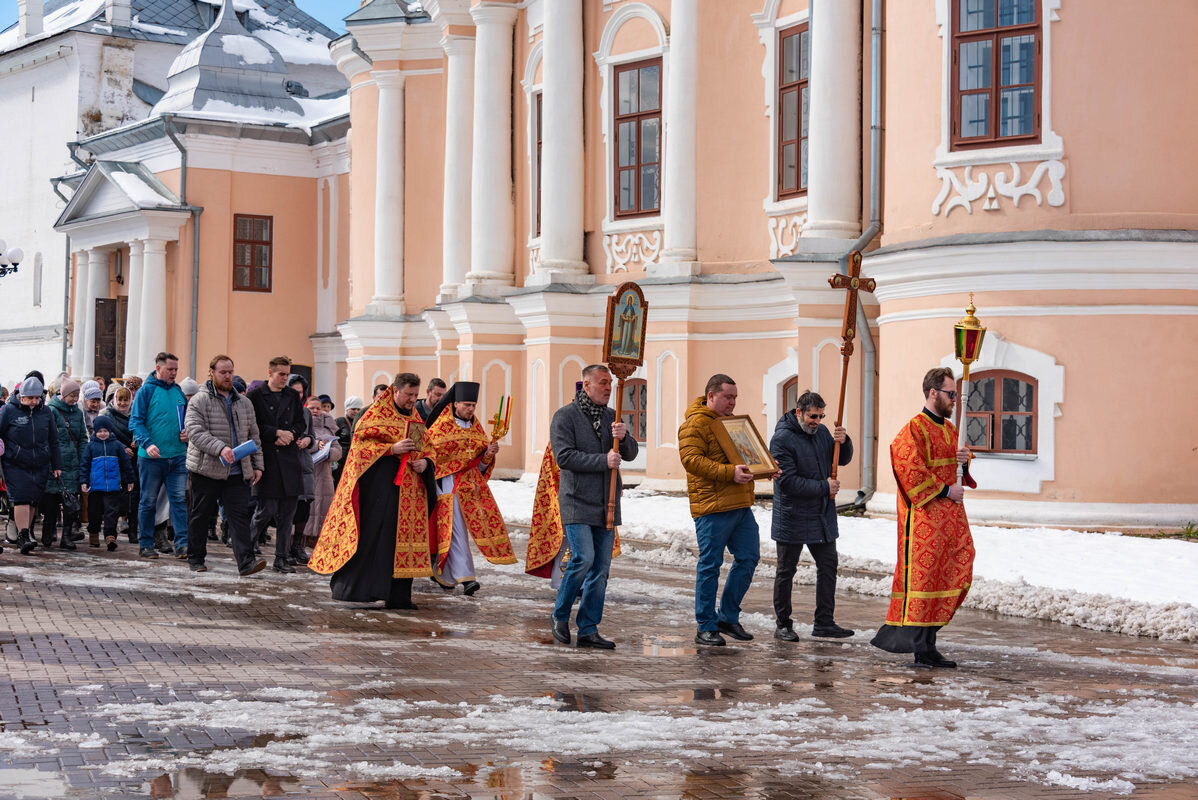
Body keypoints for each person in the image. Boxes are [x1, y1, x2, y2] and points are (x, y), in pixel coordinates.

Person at [871, 367, 975, 669]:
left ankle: (929, 639)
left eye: (956, 394)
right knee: (927, 579)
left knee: (958, 566)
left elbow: (958, 464)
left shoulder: (949, 428)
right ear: (933, 393)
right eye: (950, 394)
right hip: (925, 520)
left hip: (951, 518)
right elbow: (908, 468)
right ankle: (922, 646)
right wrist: (945, 490)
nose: (954, 399)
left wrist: (964, 461)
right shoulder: (913, 430)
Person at [309, 373, 436, 611]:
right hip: (377, 492)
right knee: (374, 540)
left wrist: (426, 463)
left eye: (415, 395)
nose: (412, 400)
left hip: (408, 496)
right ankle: (358, 591)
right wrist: (391, 448)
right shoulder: (374, 415)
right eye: (409, 394)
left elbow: (427, 449)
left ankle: (398, 596)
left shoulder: (416, 418)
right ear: (395, 391)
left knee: (399, 545)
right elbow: (359, 448)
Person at [548, 364, 638, 650]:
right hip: (576, 500)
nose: (608, 388)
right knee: (583, 558)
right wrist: (603, 461)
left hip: (608, 502)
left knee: (601, 568)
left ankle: (588, 628)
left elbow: (631, 454)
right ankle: (560, 615)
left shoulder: (613, 417)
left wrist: (624, 437)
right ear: (586, 385)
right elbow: (564, 457)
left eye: (610, 383)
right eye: (602, 383)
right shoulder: (565, 416)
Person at [678, 374, 762, 647]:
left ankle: (727, 617)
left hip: (740, 503)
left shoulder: (732, 423)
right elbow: (691, 460)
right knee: (710, 565)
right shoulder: (695, 424)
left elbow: (746, 457)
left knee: (749, 557)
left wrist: (764, 469)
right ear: (711, 396)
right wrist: (729, 473)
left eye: (735, 397)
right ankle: (705, 625)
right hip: (712, 506)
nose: (732, 402)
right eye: (728, 397)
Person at [769, 391, 855, 642]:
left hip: (820, 515)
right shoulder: (782, 439)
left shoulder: (824, 433)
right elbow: (787, 482)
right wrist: (824, 488)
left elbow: (842, 459)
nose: (817, 421)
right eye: (812, 416)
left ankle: (824, 622)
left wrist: (844, 441)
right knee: (786, 571)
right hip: (792, 515)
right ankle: (783, 624)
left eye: (820, 416)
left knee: (828, 566)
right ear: (799, 413)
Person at [425, 382, 516, 595]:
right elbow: (432, 459)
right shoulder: (440, 428)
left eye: (473, 405)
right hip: (450, 487)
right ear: (455, 403)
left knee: (466, 531)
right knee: (456, 532)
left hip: (473, 489)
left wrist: (488, 454)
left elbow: (481, 465)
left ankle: (445, 574)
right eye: (467, 404)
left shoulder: (477, 428)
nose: (471, 409)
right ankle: (467, 578)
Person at [184, 354, 265, 576]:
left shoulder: (244, 402)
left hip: (237, 471)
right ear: (212, 372)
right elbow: (195, 431)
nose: (228, 376)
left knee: (239, 517)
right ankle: (196, 558)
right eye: (223, 372)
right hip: (206, 469)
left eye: (230, 371)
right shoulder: (199, 401)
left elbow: (254, 435)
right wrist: (220, 448)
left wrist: (258, 465)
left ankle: (246, 562)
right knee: (201, 514)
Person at [247, 357, 309, 574]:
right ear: (270, 372)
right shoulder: (255, 396)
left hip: (290, 459)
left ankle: (281, 558)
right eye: (281, 374)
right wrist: (275, 433)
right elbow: (251, 425)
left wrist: (291, 433)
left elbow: (301, 422)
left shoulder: (292, 395)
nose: (285, 378)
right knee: (266, 510)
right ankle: (246, 547)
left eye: (287, 374)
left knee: (287, 514)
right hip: (268, 459)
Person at [129, 352, 190, 559]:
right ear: (158, 368)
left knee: (179, 500)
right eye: (170, 369)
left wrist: (186, 433)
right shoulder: (146, 391)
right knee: (148, 501)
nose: (174, 373)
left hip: (177, 455)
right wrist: (148, 443)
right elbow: (135, 422)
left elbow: (186, 421)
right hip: (151, 458)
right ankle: (146, 544)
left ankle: (182, 544)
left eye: (176, 369)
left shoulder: (178, 392)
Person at [0, 377, 61, 554]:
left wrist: (56, 463)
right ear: (22, 397)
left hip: (40, 462)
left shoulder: (46, 412)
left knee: (33, 498)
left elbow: (53, 440)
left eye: (37, 398)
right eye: (30, 398)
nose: (34, 402)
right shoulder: (9, 411)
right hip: (15, 462)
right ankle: (23, 534)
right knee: (21, 498)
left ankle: (25, 533)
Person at [43, 379, 87, 551]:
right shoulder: (52, 411)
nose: (74, 399)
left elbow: (83, 437)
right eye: (71, 395)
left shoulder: (78, 413)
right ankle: (49, 530)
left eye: (77, 395)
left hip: (73, 464)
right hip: (55, 462)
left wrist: (83, 458)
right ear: (63, 394)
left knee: (71, 503)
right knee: (51, 501)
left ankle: (67, 536)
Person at [79, 416, 134, 550]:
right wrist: (84, 481)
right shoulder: (91, 446)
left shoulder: (117, 446)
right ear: (95, 432)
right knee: (94, 512)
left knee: (112, 512)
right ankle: (93, 533)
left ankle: (110, 536)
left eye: (105, 431)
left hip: (113, 486)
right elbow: (84, 465)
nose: (102, 434)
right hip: (95, 487)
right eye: (99, 431)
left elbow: (126, 464)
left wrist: (130, 479)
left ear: (110, 431)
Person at [101, 386, 140, 544]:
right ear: (114, 400)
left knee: (134, 497)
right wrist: (122, 448)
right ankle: (110, 533)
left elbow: (141, 430)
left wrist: (137, 441)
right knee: (113, 498)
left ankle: (133, 530)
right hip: (114, 462)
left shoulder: (136, 416)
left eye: (126, 400)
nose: (123, 403)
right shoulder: (107, 415)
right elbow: (106, 436)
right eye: (120, 400)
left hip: (133, 461)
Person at [285, 374, 317, 565]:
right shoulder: (282, 410)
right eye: (294, 392)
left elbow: (311, 436)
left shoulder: (306, 413)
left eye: (301, 392)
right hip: (287, 463)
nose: (298, 395)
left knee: (304, 509)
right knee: (288, 510)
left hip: (304, 464)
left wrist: (307, 440)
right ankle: (285, 548)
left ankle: (298, 545)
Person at [304, 394, 342, 552]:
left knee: (323, 506)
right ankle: (301, 541)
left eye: (318, 408)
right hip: (307, 472)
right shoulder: (303, 424)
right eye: (311, 408)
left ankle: (319, 541)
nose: (315, 411)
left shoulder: (329, 426)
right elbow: (299, 445)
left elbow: (339, 450)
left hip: (324, 473)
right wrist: (316, 446)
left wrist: (329, 452)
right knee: (307, 508)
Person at [332, 395, 363, 486]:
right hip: (341, 462)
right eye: (353, 409)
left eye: (358, 409)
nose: (356, 412)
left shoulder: (362, 422)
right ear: (347, 409)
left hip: (356, 460)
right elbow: (333, 440)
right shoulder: (339, 421)